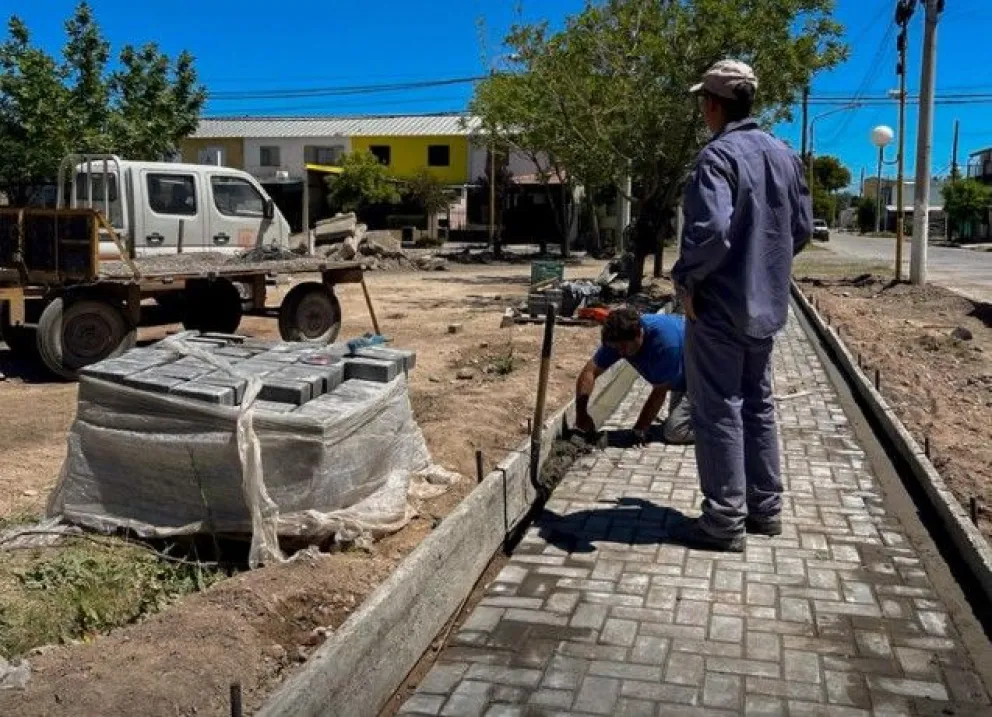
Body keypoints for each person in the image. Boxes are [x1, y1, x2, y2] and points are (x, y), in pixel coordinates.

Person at [670, 60, 813, 552]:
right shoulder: (784, 154)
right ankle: (765, 510)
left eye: (702, 103)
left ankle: (723, 521)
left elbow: (710, 233)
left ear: (713, 104)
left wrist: (686, 278)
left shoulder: (718, 157)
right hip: (765, 308)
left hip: (718, 306)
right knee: (758, 404)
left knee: (718, 411)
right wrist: (766, 266)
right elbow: (802, 230)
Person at [575, 308, 694, 445]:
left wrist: (638, 431)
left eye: (624, 347)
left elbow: (659, 392)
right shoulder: (618, 338)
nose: (621, 352)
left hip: (704, 378)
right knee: (678, 421)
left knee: (675, 433)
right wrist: (581, 413)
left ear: (639, 334)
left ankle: (718, 429)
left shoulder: (665, 342)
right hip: (681, 380)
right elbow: (589, 372)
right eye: (616, 348)